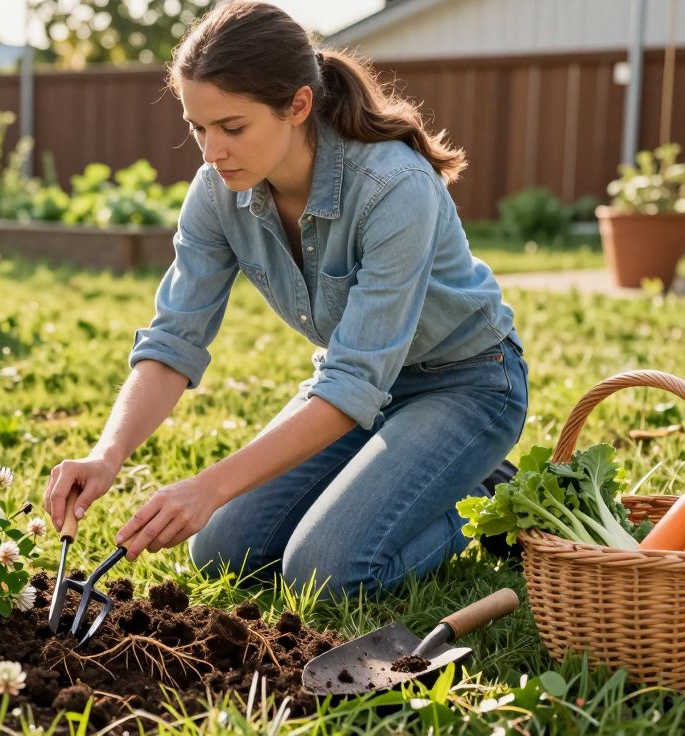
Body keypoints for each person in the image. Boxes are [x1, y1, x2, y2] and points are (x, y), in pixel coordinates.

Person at [42, 0, 528, 598]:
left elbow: (354, 379)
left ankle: (485, 497)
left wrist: (211, 485)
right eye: (198, 128)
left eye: (232, 127)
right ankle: (398, 477)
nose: (211, 151)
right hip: (356, 392)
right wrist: (107, 454)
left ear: (298, 105)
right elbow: (174, 339)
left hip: (466, 383)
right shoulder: (217, 192)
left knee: (324, 574)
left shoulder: (394, 188)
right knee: (223, 551)